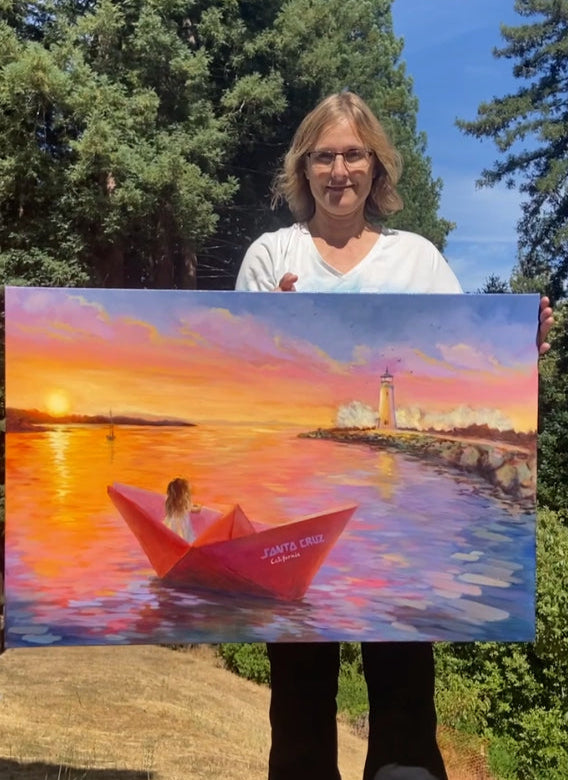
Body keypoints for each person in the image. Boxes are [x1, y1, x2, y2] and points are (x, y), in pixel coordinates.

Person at [235, 91, 553, 780]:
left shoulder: (418, 259)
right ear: (304, 167)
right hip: (297, 510)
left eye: (354, 154)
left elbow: (474, 357)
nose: (339, 169)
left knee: (406, 699)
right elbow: (249, 375)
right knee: (298, 704)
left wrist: (521, 344)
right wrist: (274, 333)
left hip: (400, 529)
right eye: (324, 156)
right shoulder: (271, 255)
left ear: (377, 167)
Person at [164, 477, 198, 542]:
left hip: (172, 525)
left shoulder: (170, 502)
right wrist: (199, 508)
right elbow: (193, 509)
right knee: (184, 538)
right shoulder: (184, 502)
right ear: (184, 492)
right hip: (182, 526)